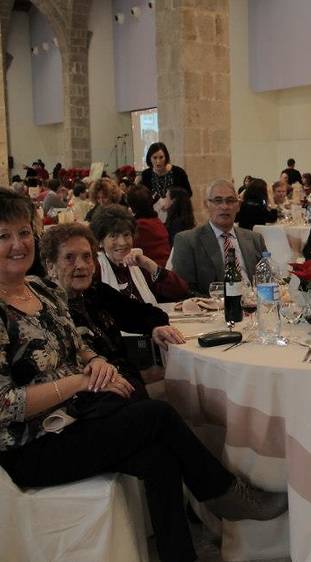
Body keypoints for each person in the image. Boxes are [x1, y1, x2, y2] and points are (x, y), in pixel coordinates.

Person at [0, 190, 287, 562]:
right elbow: (5, 405)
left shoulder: (40, 290)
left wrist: (95, 361)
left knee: (158, 457)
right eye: (3, 236)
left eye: (23, 233)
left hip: (76, 418)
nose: (18, 244)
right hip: (31, 446)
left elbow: (77, 345)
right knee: (158, 415)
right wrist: (81, 380)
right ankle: (226, 495)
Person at [41, 223, 185, 399]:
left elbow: (146, 314)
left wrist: (155, 328)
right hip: (89, 396)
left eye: (87, 257)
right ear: (50, 266)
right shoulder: (45, 306)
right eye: (69, 258)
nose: (81, 265)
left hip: (127, 385)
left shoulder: (95, 292)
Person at [171, 179, 267, 296]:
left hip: (253, 305)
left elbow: (266, 280)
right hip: (214, 309)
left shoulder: (254, 239)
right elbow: (184, 289)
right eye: (218, 201)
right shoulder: (188, 241)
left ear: (238, 206)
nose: (225, 206)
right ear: (206, 205)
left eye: (230, 201)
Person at [90, 205, 188, 304]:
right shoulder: (95, 269)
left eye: (126, 235)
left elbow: (179, 291)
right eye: (113, 236)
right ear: (100, 241)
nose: (122, 242)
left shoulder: (139, 265)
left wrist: (149, 265)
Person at [127, 184, 171, 267]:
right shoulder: (157, 221)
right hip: (164, 267)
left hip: (152, 271)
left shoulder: (140, 226)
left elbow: (129, 250)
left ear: (132, 206)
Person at [139, 142, 192, 209]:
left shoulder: (179, 172)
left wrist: (172, 201)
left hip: (175, 212)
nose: (158, 161)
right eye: (155, 158)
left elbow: (188, 193)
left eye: (161, 157)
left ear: (166, 157)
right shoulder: (146, 175)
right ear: (150, 159)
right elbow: (144, 197)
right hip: (154, 214)